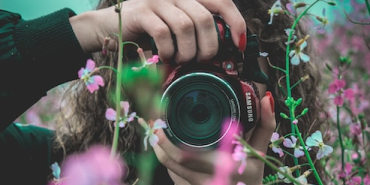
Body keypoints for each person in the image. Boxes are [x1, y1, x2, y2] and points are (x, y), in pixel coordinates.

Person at [0, 0, 327, 184]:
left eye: (229, 63)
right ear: (125, 72)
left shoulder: (301, 177)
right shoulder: (63, 170)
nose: (200, 90)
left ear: (278, 78)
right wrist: (88, 29)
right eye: (175, 59)